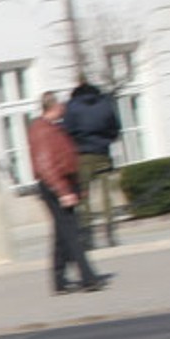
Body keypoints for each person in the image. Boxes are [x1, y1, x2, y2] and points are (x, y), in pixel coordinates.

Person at [28, 91, 110, 295]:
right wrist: (63, 191)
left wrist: (74, 186)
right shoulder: (42, 130)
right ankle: (88, 279)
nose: (63, 109)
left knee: (62, 234)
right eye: (60, 106)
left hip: (62, 183)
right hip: (56, 186)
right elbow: (46, 166)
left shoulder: (50, 128)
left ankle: (58, 280)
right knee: (73, 234)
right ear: (53, 107)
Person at [63, 81, 123, 248]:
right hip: (103, 153)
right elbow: (115, 128)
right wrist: (105, 141)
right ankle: (111, 234)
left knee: (83, 195)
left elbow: (67, 131)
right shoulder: (106, 103)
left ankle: (87, 237)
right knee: (107, 195)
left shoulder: (72, 106)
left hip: (82, 156)